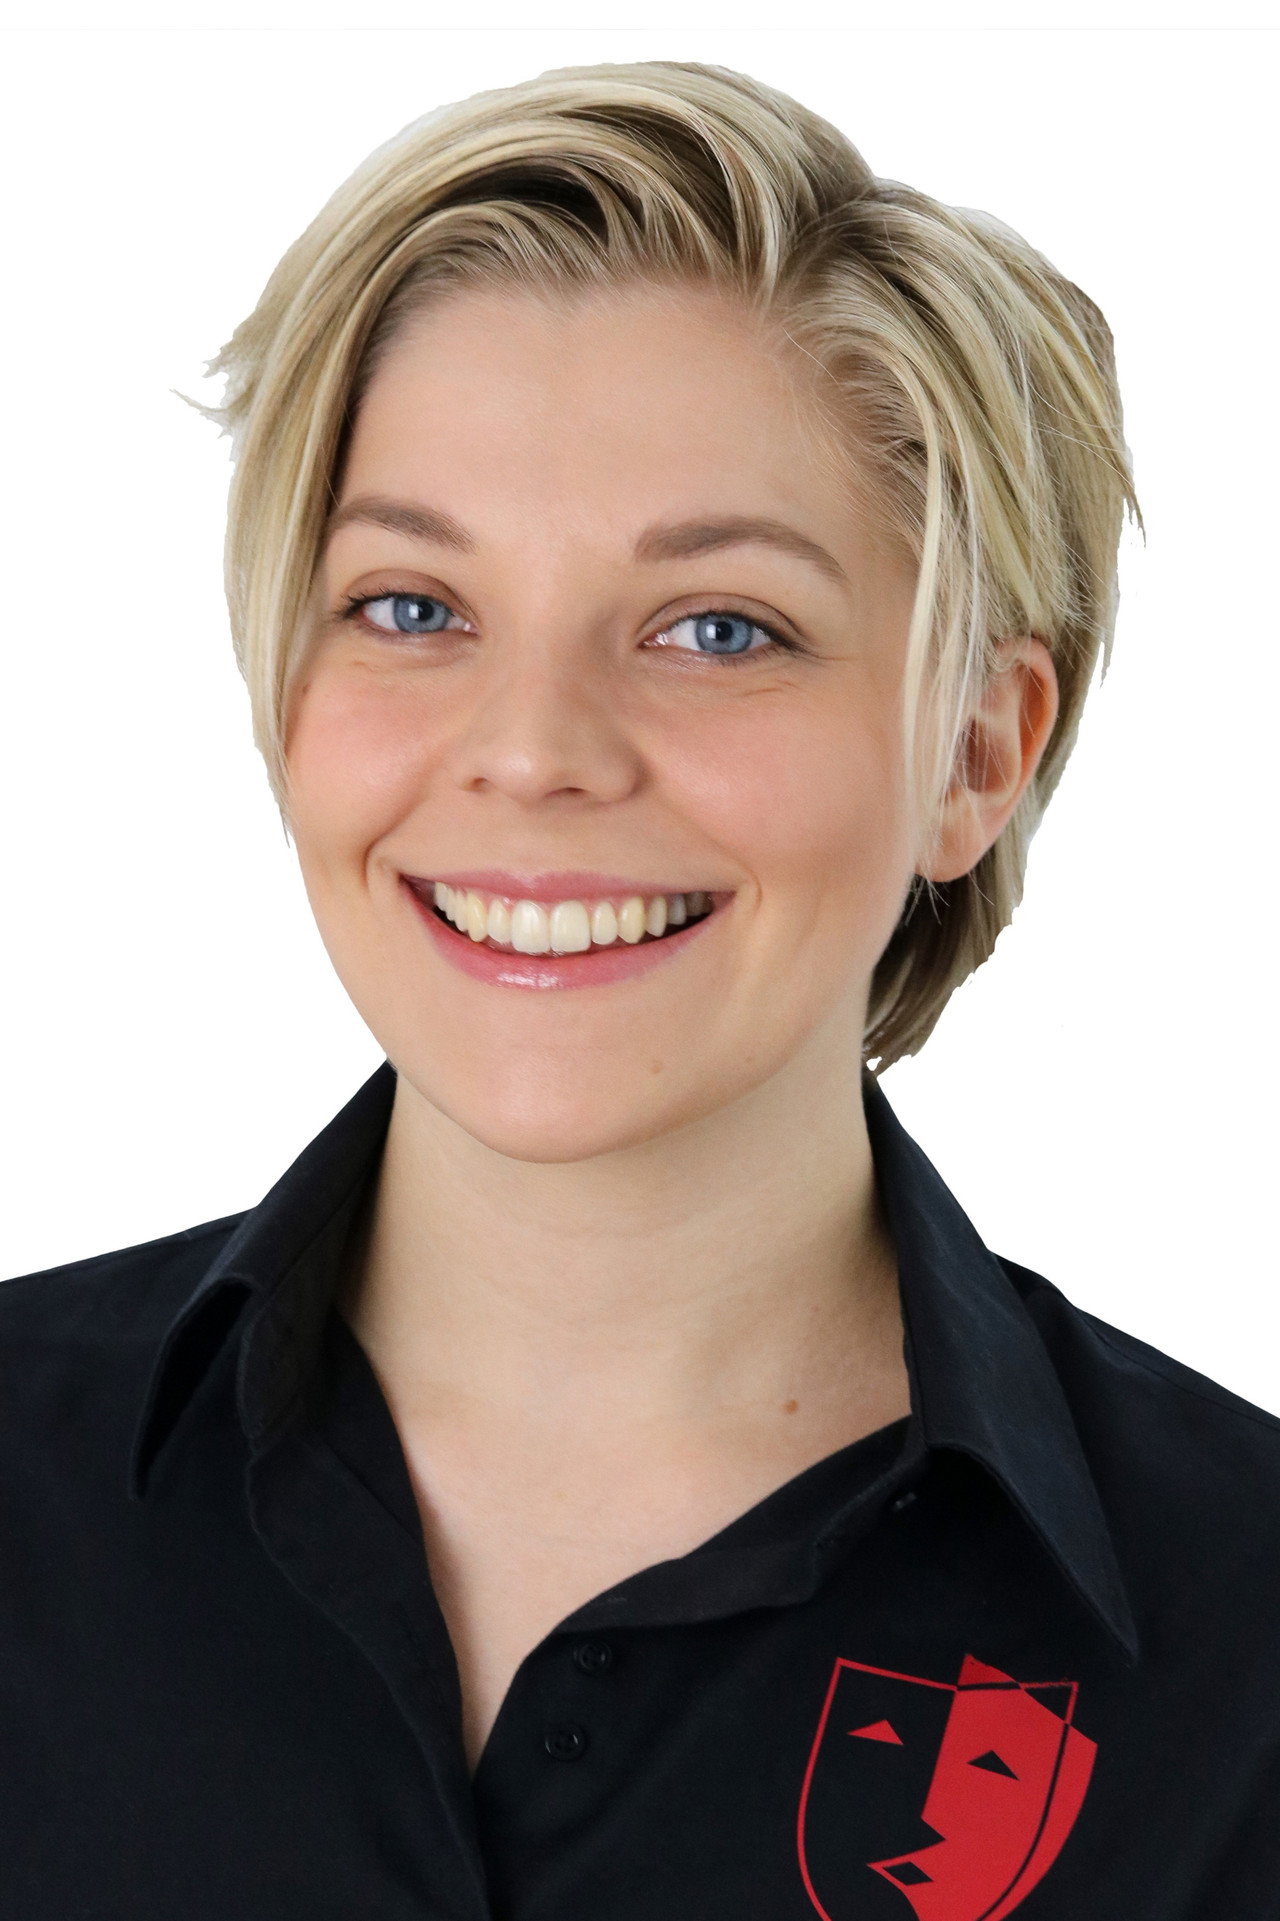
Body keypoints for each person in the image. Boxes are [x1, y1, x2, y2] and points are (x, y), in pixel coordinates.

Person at [2, 57, 1277, 1921]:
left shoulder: (1246, 1654)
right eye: (413, 607)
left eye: (718, 628)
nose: (533, 751)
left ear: (976, 753)